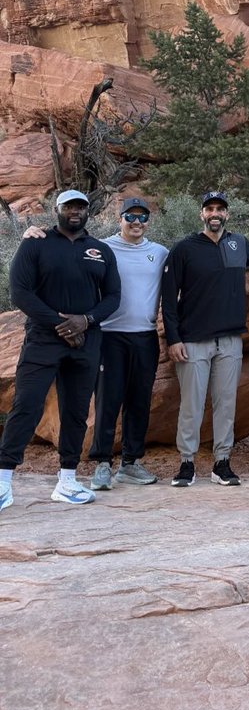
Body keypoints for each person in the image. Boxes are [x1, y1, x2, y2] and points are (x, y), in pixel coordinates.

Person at [161, 191, 249, 488]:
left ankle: (221, 463)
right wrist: (173, 339)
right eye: (210, 208)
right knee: (192, 404)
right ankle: (186, 464)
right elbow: (169, 299)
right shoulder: (184, 249)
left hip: (229, 340)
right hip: (194, 340)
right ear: (202, 214)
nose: (215, 213)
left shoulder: (237, 244)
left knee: (226, 403)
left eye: (220, 209)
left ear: (227, 214)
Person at [0, 190, 121, 512]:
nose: (74, 212)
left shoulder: (101, 250)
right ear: (57, 210)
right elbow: (20, 293)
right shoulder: (35, 243)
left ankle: (67, 480)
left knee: (77, 411)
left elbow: (112, 297)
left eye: (80, 207)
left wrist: (86, 320)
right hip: (43, 338)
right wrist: (60, 324)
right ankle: (2, 482)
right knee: (26, 405)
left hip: (86, 342)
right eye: (68, 206)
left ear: (87, 212)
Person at [88, 197, 168, 490]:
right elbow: (67, 250)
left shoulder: (159, 253)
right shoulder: (101, 248)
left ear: (148, 221)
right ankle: (102, 464)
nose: (136, 223)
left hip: (145, 336)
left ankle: (130, 463)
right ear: (119, 219)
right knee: (108, 399)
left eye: (142, 217)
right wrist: (35, 233)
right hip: (110, 335)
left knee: (139, 400)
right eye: (130, 217)